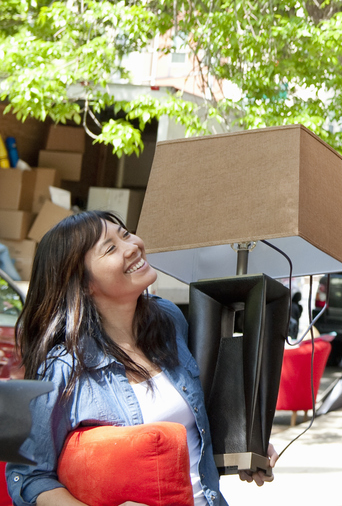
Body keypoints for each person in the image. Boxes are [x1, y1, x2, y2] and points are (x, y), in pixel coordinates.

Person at [7, 210, 276, 506]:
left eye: (124, 233)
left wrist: (245, 443)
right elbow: (28, 477)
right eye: (110, 248)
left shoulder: (169, 320)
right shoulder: (64, 368)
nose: (132, 246)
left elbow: (198, 421)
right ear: (84, 284)